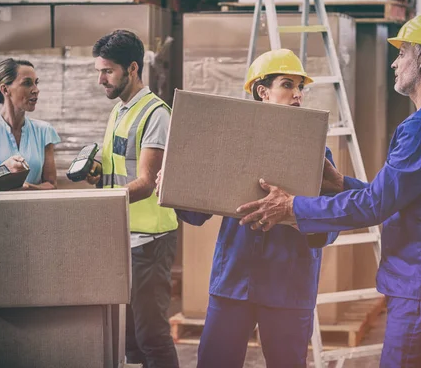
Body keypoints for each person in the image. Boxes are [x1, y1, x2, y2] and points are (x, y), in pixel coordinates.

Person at [237, 13, 421, 367]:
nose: (394, 62)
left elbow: (376, 205)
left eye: (402, 53)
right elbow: (402, 198)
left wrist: (294, 207)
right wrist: (340, 183)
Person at [156, 49, 341, 368]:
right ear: (263, 91)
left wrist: (295, 215)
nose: (297, 95)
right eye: (288, 85)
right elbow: (197, 213)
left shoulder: (317, 153)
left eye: (300, 87)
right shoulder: (232, 146)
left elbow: (330, 225)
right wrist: (173, 186)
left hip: (288, 285)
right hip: (234, 280)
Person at [85, 30, 179, 367]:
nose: (101, 80)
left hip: (150, 242)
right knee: (129, 338)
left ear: (133, 68)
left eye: (107, 71)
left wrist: (95, 205)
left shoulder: (156, 114)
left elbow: (145, 182)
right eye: (100, 71)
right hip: (123, 238)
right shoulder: (120, 111)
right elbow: (116, 171)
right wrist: (96, 174)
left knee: (151, 335)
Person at [0, 58, 61, 293]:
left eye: (36, 83)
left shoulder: (44, 132)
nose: (35, 90)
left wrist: (30, 188)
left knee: (31, 307)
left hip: (34, 235)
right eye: (27, 83)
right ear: (5, 89)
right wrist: (4, 170)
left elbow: (51, 184)